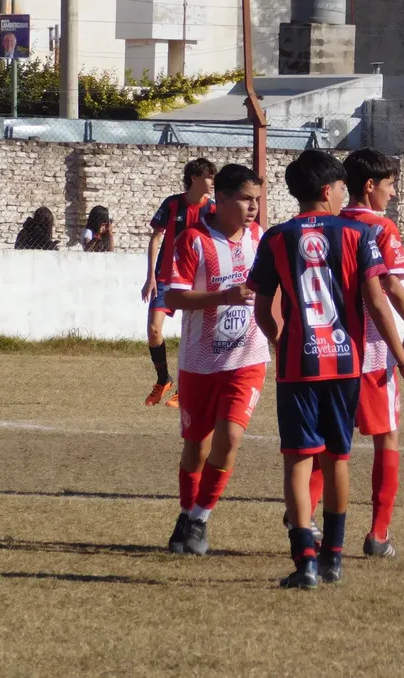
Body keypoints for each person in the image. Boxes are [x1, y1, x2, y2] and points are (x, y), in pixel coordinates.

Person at [248, 150, 404, 590]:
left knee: (297, 460)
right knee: (337, 457)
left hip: (297, 365)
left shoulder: (275, 238)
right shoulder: (357, 234)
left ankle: (304, 560)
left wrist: (279, 338)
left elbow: (262, 306)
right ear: (327, 191)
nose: (345, 193)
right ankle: (333, 558)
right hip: (346, 363)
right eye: (342, 187)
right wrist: (403, 362)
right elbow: (378, 301)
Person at [162, 164, 270, 556]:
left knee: (231, 439)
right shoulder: (193, 241)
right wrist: (222, 297)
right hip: (199, 362)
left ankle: (201, 518)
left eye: (256, 199)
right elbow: (172, 298)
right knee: (197, 447)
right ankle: (187, 512)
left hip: (248, 358)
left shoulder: (261, 240)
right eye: (245, 198)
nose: (253, 207)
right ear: (220, 199)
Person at [336, 148, 404, 558]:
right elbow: (388, 285)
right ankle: (378, 534)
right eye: (389, 185)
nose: (393, 193)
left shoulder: (330, 224)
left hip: (330, 348)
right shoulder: (381, 227)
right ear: (369, 186)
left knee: (327, 440)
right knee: (387, 437)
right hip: (372, 350)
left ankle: (307, 519)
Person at [140, 158, 216, 409]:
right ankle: (164, 379)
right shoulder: (172, 204)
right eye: (209, 176)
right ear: (195, 178)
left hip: (197, 279)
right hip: (165, 278)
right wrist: (150, 276)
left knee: (194, 336)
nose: (212, 181)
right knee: (153, 330)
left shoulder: (213, 210)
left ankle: (187, 390)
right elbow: (156, 238)